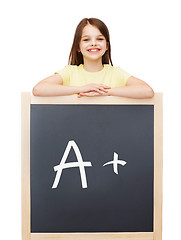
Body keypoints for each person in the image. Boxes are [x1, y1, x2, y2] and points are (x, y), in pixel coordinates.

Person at [33, 18, 154, 98]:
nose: (93, 43)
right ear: (78, 47)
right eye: (86, 39)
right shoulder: (70, 72)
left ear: (106, 46)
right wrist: (81, 89)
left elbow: (147, 91)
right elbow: (38, 90)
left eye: (99, 39)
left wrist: (105, 92)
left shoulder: (115, 73)